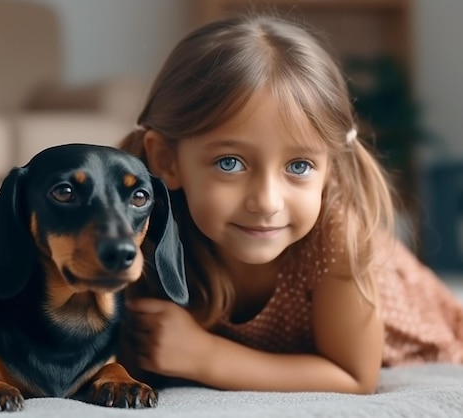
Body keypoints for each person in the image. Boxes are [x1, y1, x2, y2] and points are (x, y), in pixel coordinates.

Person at [119, 13, 463, 394]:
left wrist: (206, 357)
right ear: (167, 161)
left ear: (330, 167)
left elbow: (353, 375)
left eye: (299, 165)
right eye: (230, 163)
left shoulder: (337, 235)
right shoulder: (144, 226)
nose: (267, 201)